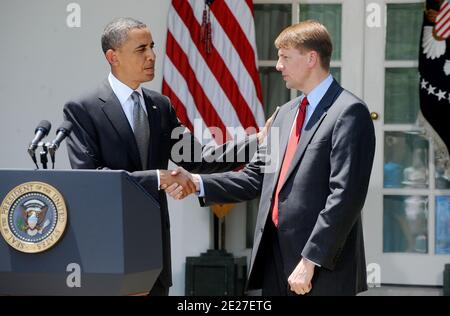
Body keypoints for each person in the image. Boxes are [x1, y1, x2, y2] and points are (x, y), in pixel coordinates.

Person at [168, 20, 376, 296]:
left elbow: (345, 196)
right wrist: (196, 182)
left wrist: (310, 260)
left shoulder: (349, 112)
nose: (278, 66)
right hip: (274, 258)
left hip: (321, 266)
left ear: (311, 58)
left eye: (285, 57)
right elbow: (255, 178)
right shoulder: (284, 114)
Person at [63, 17, 268, 295]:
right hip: (108, 251)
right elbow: (90, 180)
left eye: (152, 47)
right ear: (113, 57)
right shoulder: (82, 109)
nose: (152, 56)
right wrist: (157, 178)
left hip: (155, 257)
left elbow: (199, 159)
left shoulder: (160, 106)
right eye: (141, 49)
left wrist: (257, 141)